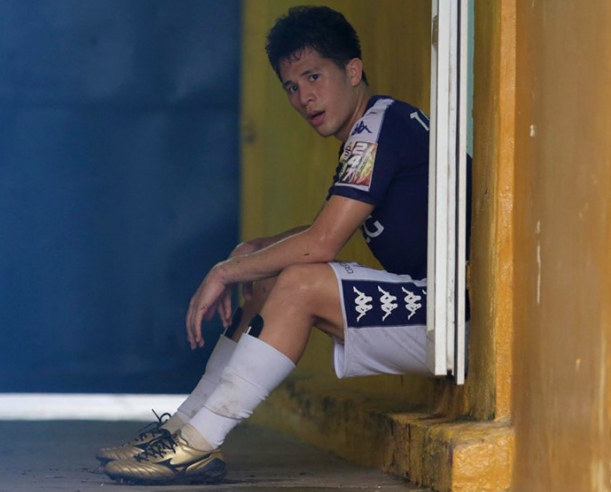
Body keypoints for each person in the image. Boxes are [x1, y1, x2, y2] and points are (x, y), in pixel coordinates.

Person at [99, 5, 439, 485]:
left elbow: (321, 243)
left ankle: (199, 441)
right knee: (261, 263)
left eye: (314, 76)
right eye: (291, 87)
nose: (304, 97)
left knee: (299, 282)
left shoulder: (379, 128)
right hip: (427, 303)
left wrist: (223, 272)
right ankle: (183, 427)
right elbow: (322, 230)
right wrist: (248, 257)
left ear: (352, 71)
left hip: (453, 318)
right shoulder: (374, 127)